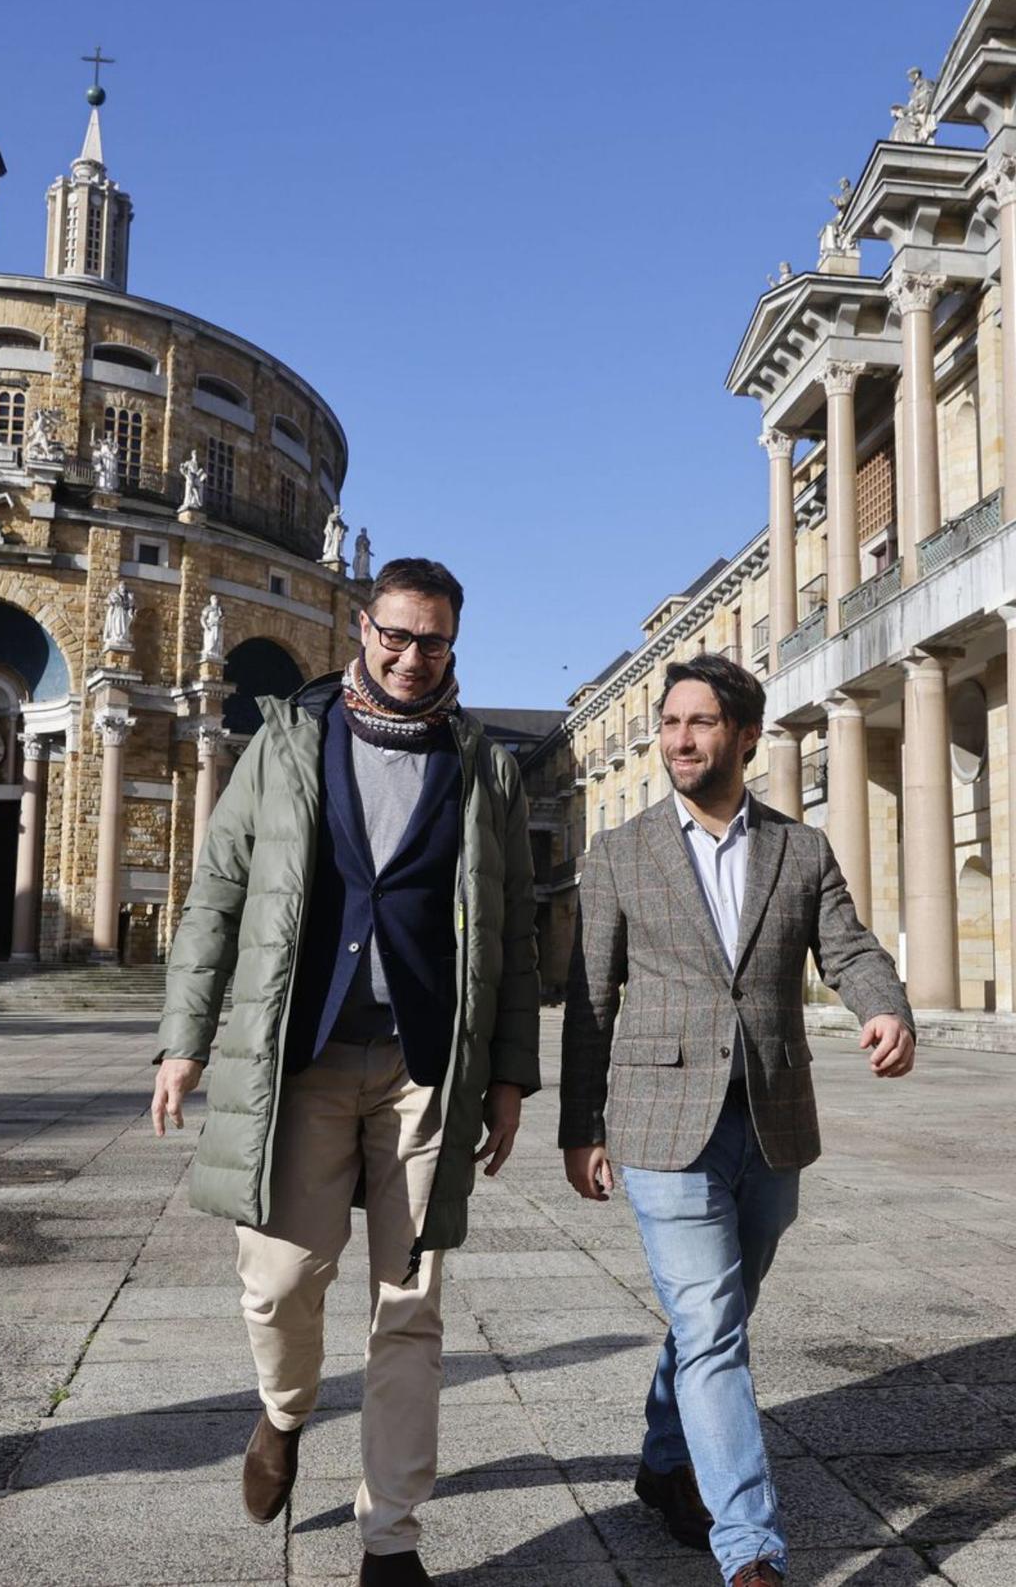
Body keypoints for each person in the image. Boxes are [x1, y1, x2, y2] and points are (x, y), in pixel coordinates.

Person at [151, 557, 540, 1586]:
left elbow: (512, 932)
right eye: (397, 635)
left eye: (436, 641)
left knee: (408, 1304)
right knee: (281, 1279)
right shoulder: (285, 742)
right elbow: (217, 892)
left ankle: (392, 1537)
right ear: (363, 628)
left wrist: (508, 1075)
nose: (414, 657)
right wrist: (184, 1036)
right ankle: (282, 1413)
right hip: (301, 1057)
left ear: (456, 643)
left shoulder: (486, 766)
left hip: (425, 1066)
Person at [559, 653, 915, 1587]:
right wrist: (578, 1126)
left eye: (699, 723)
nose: (677, 739)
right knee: (714, 1325)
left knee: (712, 1312)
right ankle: (750, 1550)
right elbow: (590, 997)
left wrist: (886, 1005)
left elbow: (851, 945)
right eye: (670, 722)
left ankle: (664, 1459)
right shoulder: (621, 851)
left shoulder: (800, 850)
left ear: (746, 736)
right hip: (658, 1122)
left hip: (770, 1119)